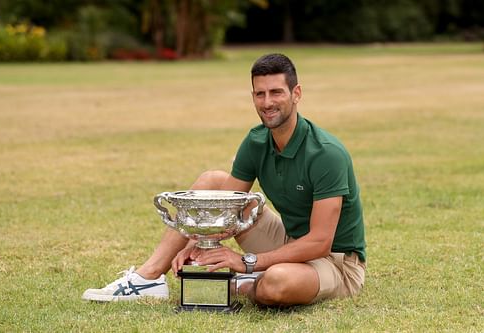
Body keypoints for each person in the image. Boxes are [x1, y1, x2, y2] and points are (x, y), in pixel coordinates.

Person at [82, 53, 366, 306]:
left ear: (296, 93)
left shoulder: (326, 153)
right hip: (287, 241)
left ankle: (243, 283)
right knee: (212, 182)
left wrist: (245, 262)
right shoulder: (256, 141)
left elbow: (320, 242)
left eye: (276, 92)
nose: (267, 103)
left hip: (334, 262)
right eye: (260, 94)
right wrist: (197, 245)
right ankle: (148, 278)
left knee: (277, 283)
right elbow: (224, 213)